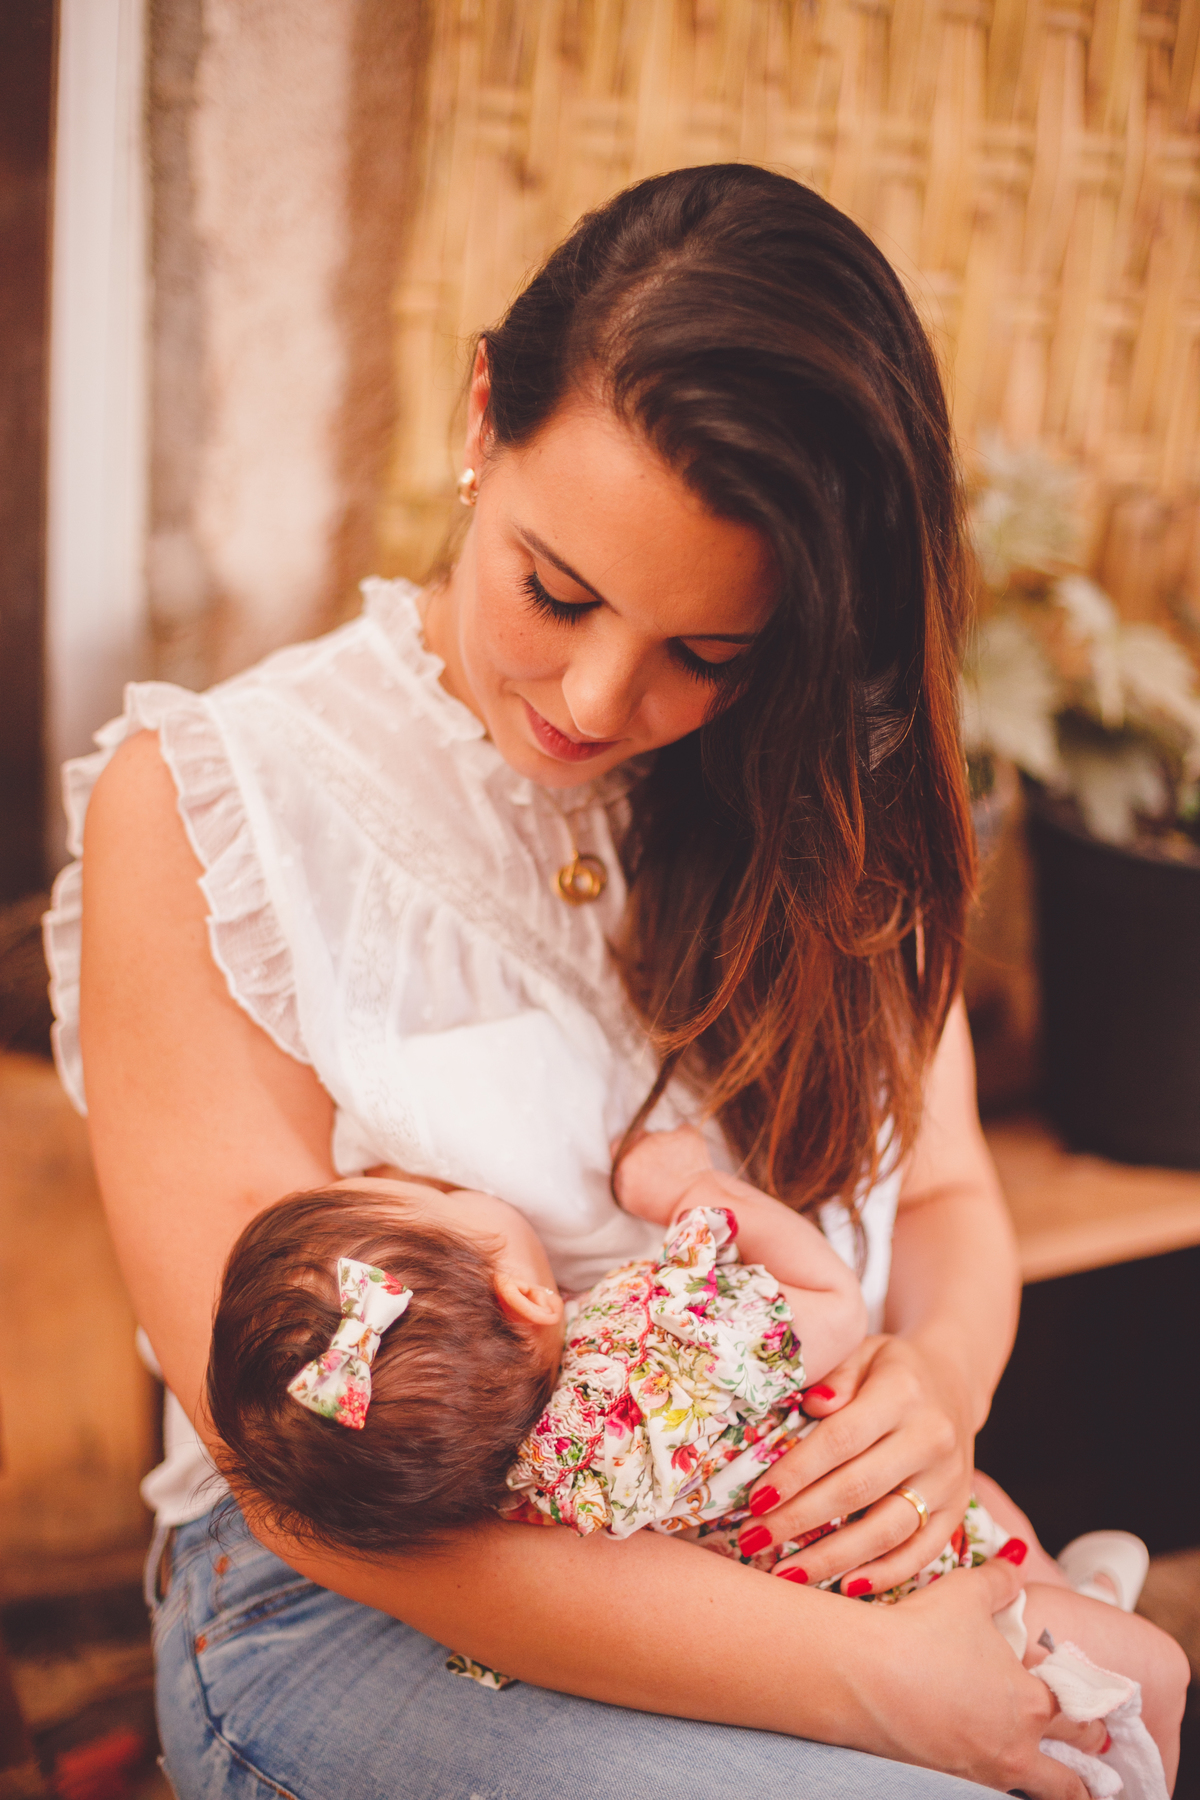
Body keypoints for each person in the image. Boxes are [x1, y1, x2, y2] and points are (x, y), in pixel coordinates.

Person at [46, 163, 1190, 1797]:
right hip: (381, 1590)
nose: (593, 697)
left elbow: (942, 1196)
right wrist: (871, 1686)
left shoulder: (829, 806)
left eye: (707, 654)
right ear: (482, 416)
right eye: (555, 590)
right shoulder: (215, 806)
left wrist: (939, 1381)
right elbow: (298, 1478)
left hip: (783, 1540)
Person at [202, 1133, 1185, 1790]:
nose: (452, 1183)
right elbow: (831, 1304)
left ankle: (1071, 1596)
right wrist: (694, 1192)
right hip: (907, 1584)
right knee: (1159, 1667)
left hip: (762, 1624)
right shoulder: (661, 1340)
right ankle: (1106, 1674)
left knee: (985, 1516)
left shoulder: (490, 1497)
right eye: (442, 1195)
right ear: (527, 1298)